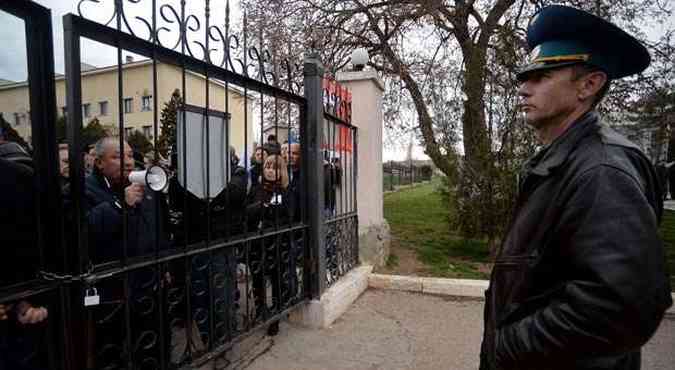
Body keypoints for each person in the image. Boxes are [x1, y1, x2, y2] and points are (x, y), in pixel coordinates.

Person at [479, 6, 672, 370]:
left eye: (542, 76)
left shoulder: (602, 169)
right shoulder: (566, 158)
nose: (523, 88)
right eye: (524, 77)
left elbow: (622, 307)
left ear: (589, 84)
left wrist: (507, 346)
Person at [245, 154, 295, 336]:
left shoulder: (286, 191)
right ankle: (260, 309)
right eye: (267, 166)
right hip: (257, 244)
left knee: (277, 280)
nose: (270, 170)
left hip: (277, 244)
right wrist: (261, 207)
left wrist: (270, 212)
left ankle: (275, 316)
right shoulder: (256, 189)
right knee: (257, 278)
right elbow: (247, 212)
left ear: (281, 170)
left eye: (274, 167)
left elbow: (289, 215)